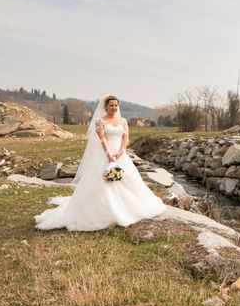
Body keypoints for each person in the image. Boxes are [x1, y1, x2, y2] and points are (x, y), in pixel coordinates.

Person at [35, 95, 164, 231]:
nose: (113, 108)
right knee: (102, 182)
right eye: (111, 105)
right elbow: (102, 139)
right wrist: (108, 153)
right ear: (106, 107)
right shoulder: (100, 121)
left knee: (128, 180)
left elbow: (125, 138)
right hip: (105, 154)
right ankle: (103, 213)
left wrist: (121, 151)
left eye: (116, 105)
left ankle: (128, 208)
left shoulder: (123, 121)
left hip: (120, 155)